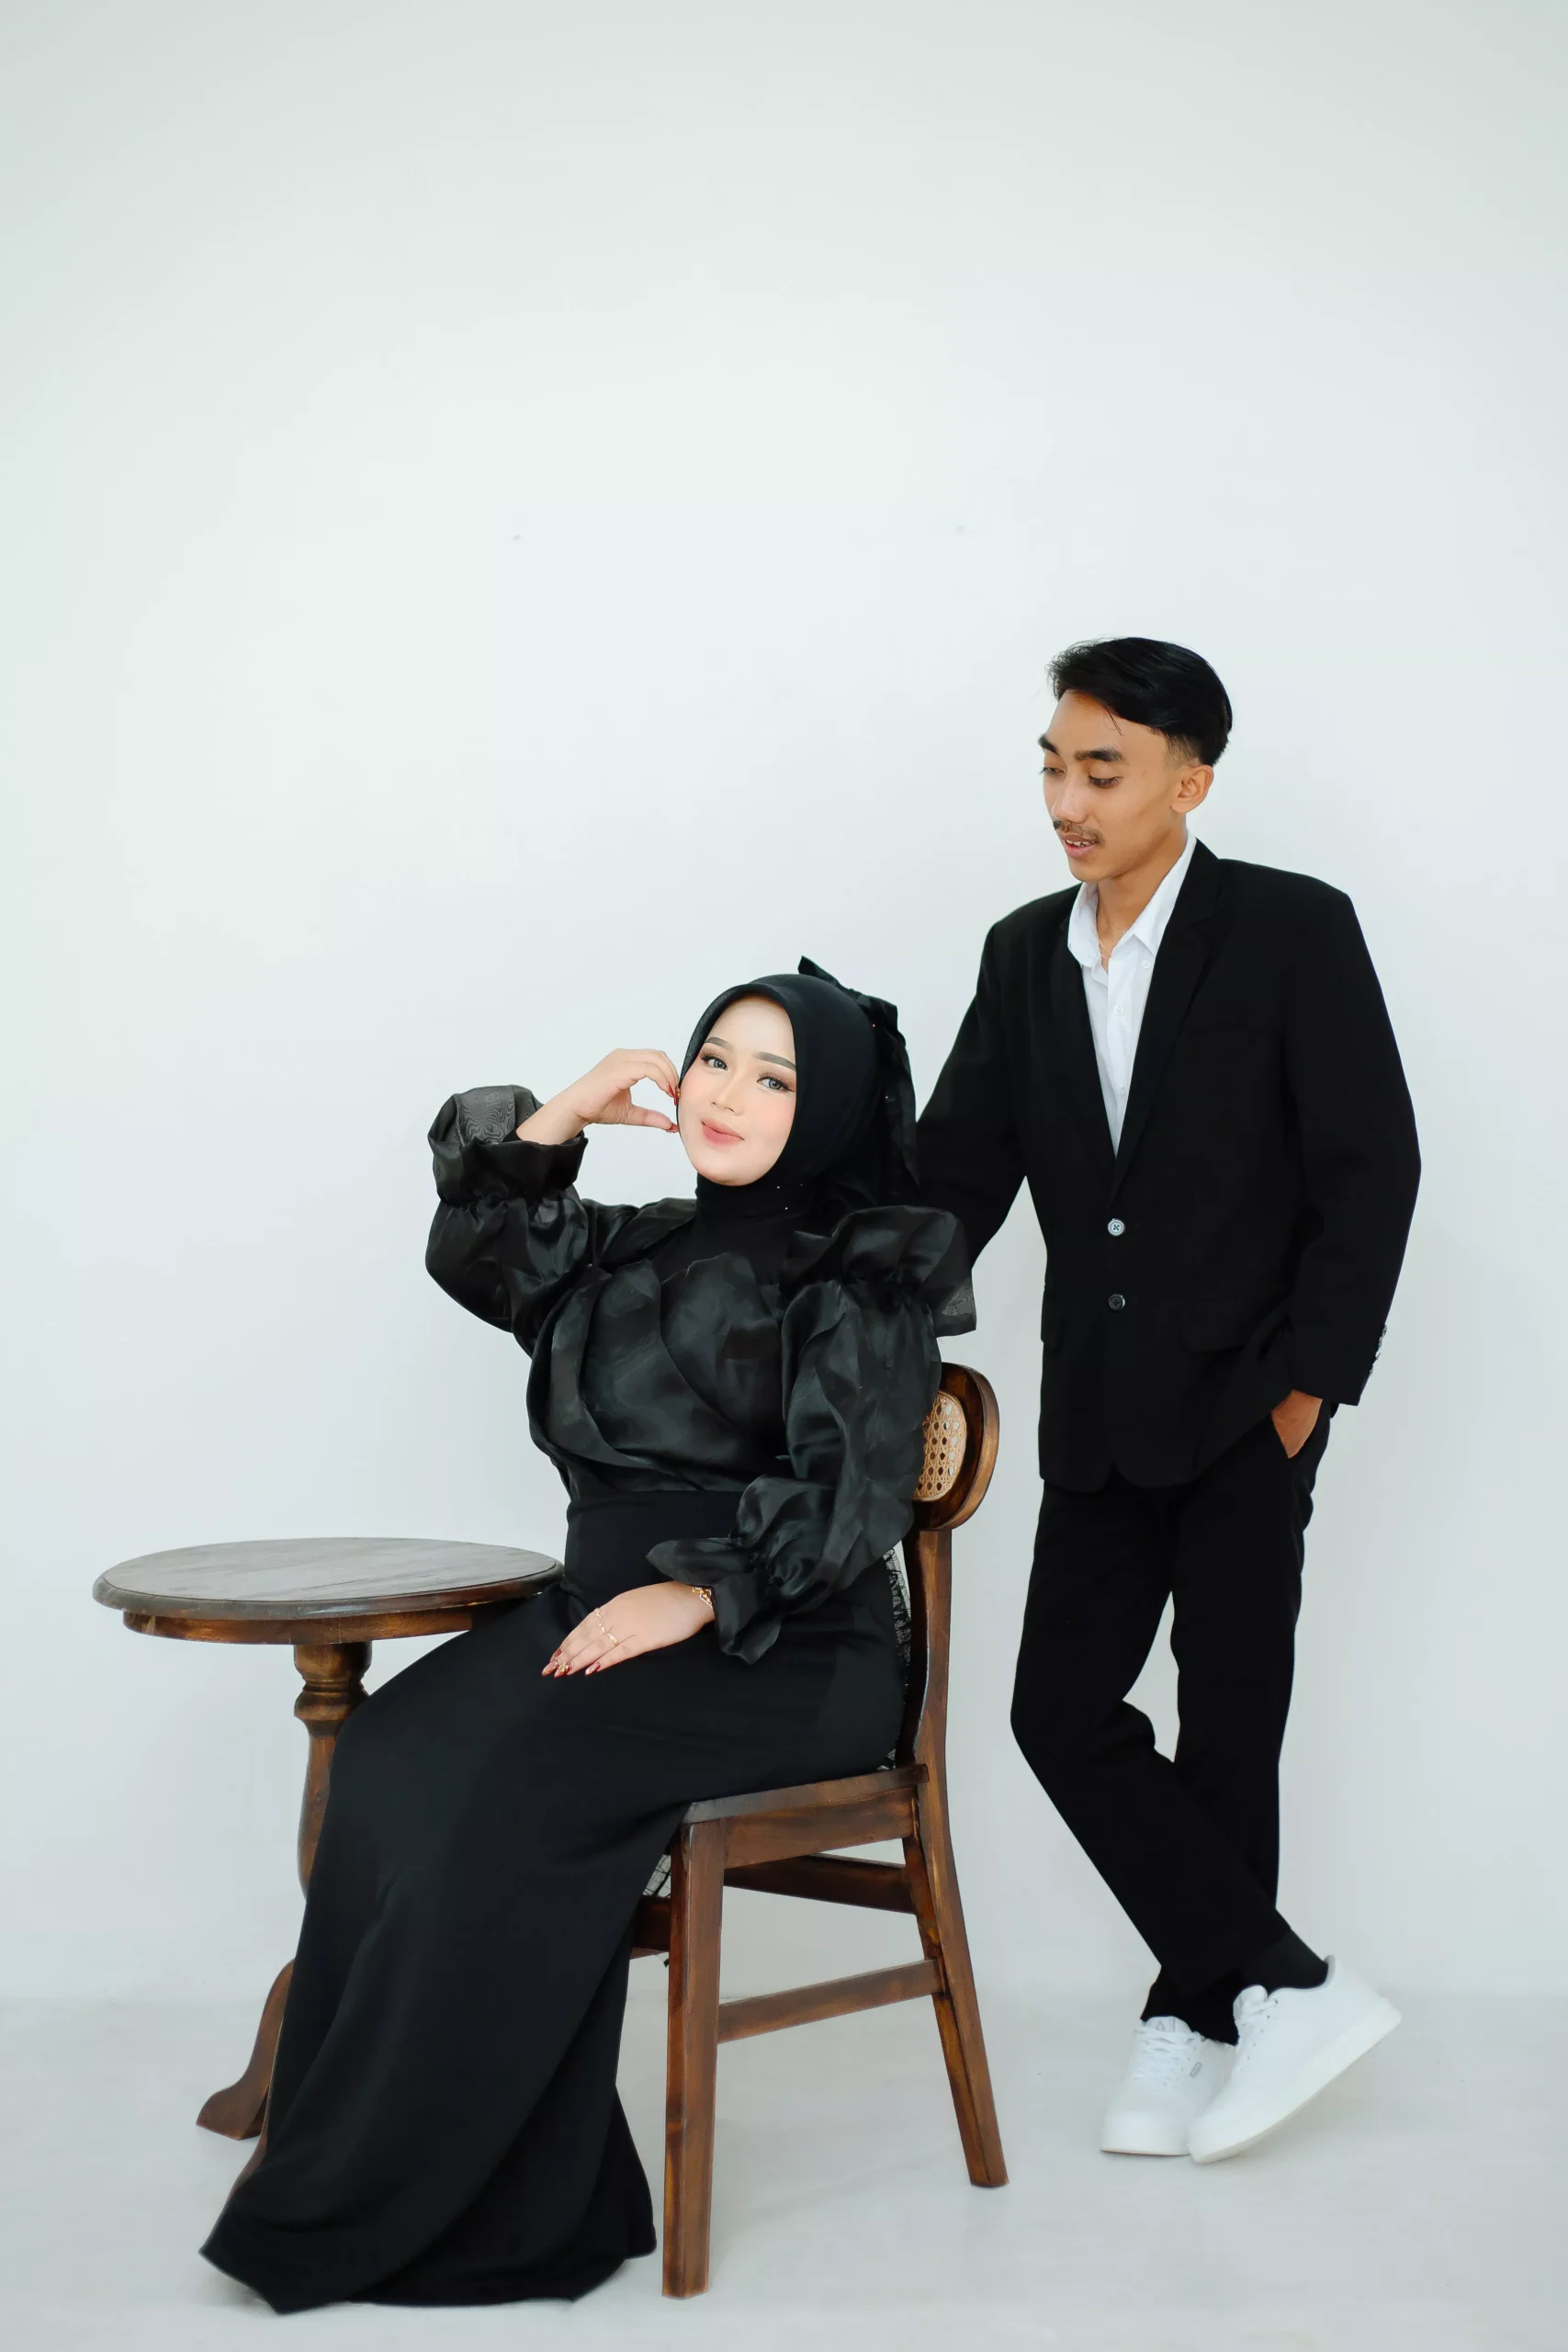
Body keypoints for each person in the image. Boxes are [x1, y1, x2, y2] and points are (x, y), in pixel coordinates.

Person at [201, 961, 970, 2308]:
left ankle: (473, 2206)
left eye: (775, 1078)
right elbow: (476, 1249)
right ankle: (356, 2155)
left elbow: (851, 1492)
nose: (727, 1094)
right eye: (713, 1058)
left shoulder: (854, 1269)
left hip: (783, 1643)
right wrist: (571, 1105)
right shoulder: (627, 1246)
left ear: (833, 1111)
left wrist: (700, 1593)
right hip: (603, 1612)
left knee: (504, 1785)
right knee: (393, 1749)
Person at [918, 637, 1420, 2165]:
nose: (1066, 801)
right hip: (1096, 1403)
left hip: (1249, 1399)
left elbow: (1369, 1166)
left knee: (1228, 1719)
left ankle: (1195, 2020)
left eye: (1102, 770)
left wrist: (1308, 1389)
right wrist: (787, 1194)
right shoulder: (1023, 953)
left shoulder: (1288, 928)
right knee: (1057, 1712)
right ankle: (1274, 1985)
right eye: (1052, 766)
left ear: (1187, 783)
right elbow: (951, 1181)